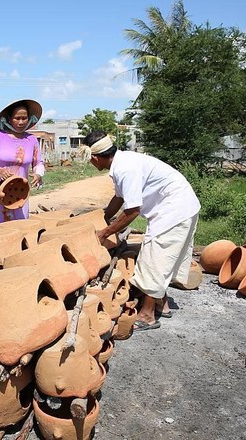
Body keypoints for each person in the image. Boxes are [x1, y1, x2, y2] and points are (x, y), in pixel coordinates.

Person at [81, 131, 201, 331]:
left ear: (95, 157)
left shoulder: (125, 169)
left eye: (90, 161)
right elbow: (119, 199)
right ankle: (163, 305)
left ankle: (147, 315)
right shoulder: (122, 163)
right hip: (179, 207)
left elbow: (132, 211)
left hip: (174, 210)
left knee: (154, 260)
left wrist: (104, 233)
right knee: (161, 259)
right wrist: (100, 217)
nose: (91, 165)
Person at [0, 99, 45, 231]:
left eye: (24, 118)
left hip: (19, 192)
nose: (21, 122)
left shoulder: (31, 140)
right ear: (9, 118)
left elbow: (38, 162)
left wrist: (38, 173)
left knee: (20, 227)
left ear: (29, 119)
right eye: (17, 118)